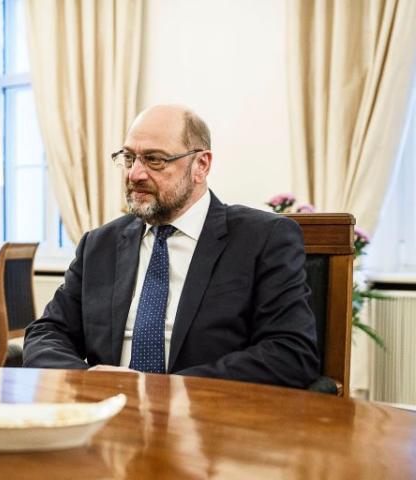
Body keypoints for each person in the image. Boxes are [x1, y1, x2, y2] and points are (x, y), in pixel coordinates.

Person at [22, 104, 320, 389]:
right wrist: (87, 380)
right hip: (107, 419)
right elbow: (46, 333)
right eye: (128, 158)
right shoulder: (99, 245)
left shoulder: (263, 239)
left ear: (201, 165)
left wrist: (164, 389)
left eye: (154, 160)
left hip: (208, 423)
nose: (134, 174)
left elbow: (290, 352)